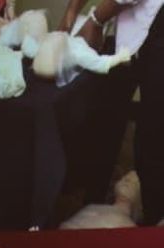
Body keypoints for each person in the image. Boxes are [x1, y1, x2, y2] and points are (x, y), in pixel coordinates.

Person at [58, 0, 163, 225]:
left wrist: (95, 20)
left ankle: (154, 229)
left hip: (156, 24)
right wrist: (71, 12)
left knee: (152, 138)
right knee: (105, 114)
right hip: (130, 23)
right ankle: (91, 197)